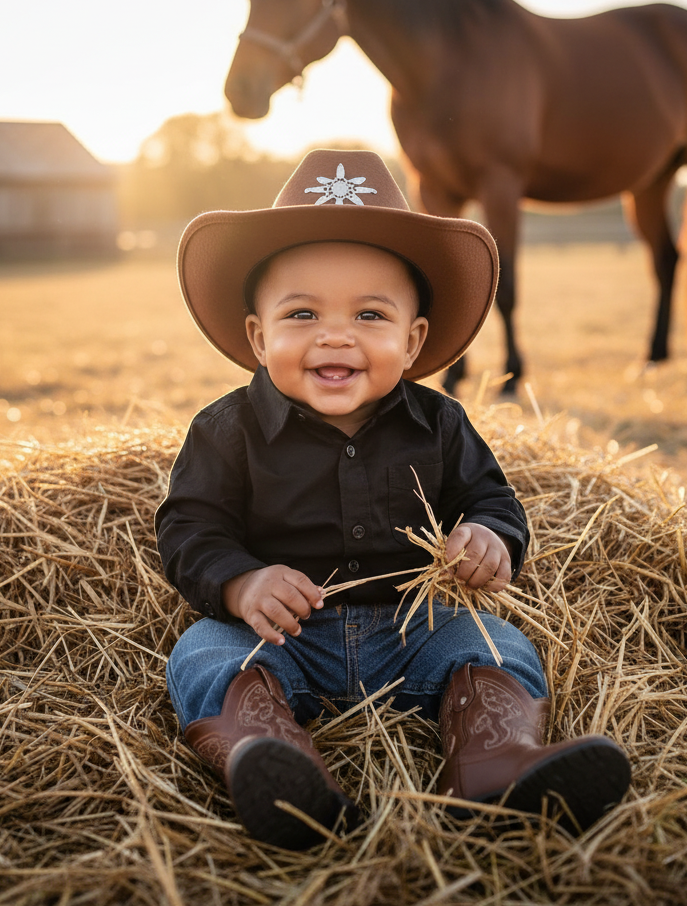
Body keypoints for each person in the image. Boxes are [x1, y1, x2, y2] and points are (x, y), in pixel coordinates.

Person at [155, 149, 630, 850]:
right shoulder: (226, 430)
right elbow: (190, 525)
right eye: (303, 312)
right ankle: (273, 762)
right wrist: (241, 583)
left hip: (419, 630)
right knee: (200, 654)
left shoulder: (440, 425)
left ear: (413, 343)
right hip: (281, 635)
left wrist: (488, 539)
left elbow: (492, 499)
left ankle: (495, 768)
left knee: (499, 647)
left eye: (371, 314)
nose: (336, 334)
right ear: (260, 337)